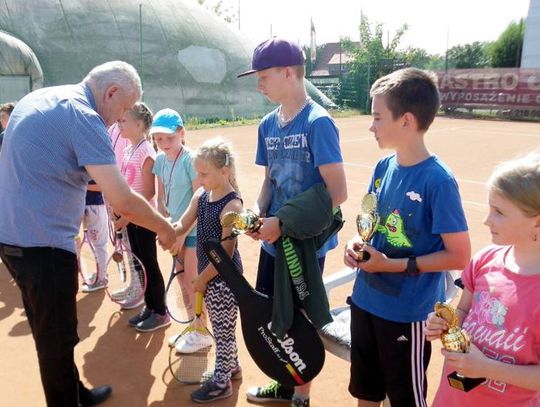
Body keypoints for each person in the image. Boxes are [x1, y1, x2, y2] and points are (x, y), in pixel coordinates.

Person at [0, 61, 175, 407]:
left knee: (50, 330)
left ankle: (75, 391)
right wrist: (166, 227)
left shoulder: (42, 97)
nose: (119, 118)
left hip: (14, 239)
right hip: (44, 246)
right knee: (55, 338)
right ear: (110, 93)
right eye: (123, 108)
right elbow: (122, 198)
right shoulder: (84, 116)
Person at [343, 67, 471, 407]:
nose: (371, 126)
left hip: (405, 312)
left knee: (406, 398)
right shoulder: (383, 167)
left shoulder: (438, 180)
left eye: (377, 117)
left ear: (406, 121)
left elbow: (459, 256)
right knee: (366, 391)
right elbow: (370, 223)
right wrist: (355, 246)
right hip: (365, 301)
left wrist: (392, 265)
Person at [237, 38, 348, 407]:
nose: (259, 84)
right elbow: (268, 183)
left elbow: (338, 192)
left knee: (300, 317)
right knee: (271, 313)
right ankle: (283, 383)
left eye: (264, 76)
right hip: (272, 238)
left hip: (303, 242)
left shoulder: (318, 123)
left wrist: (281, 223)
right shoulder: (268, 124)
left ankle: (301, 394)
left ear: (288, 72)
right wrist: (255, 213)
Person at [425, 152, 540, 406]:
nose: (487, 220)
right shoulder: (485, 260)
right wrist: (445, 324)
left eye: (499, 212)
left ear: (537, 222)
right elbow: (463, 309)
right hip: (452, 398)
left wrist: (486, 368)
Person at [173, 137, 243, 403]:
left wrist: (201, 278)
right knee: (222, 326)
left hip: (225, 281)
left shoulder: (233, 206)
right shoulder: (202, 195)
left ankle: (221, 383)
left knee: (223, 332)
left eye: (204, 174)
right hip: (208, 276)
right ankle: (232, 366)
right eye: (198, 173)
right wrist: (168, 231)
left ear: (224, 172)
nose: (199, 179)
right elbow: (182, 223)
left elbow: (226, 253)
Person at [150, 108, 209, 351]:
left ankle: (202, 331)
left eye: (169, 138)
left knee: (193, 283)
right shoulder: (160, 161)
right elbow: (161, 198)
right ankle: (191, 327)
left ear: (182, 133)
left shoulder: (190, 160)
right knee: (181, 282)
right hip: (175, 233)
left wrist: (181, 233)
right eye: (158, 139)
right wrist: (164, 225)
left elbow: (200, 201)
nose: (164, 144)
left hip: (193, 233)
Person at [115, 102, 171, 331]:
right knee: (139, 264)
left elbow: (148, 192)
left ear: (139, 124)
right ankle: (150, 306)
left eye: (124, 121)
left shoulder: (147, 152)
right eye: (118, 121)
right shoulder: (129, 149)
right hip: (131, 219)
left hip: (144, 220)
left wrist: (127, 216)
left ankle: (161, 312)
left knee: (149, 264)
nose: (119, 125)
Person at [79, 180, 109, 292]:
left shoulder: (96, 164)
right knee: (96, 243)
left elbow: (102, 186)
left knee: (99, 244)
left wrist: (79, 185)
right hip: (86, 206)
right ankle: (101, 273)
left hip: (95, 207)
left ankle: (101, 279)